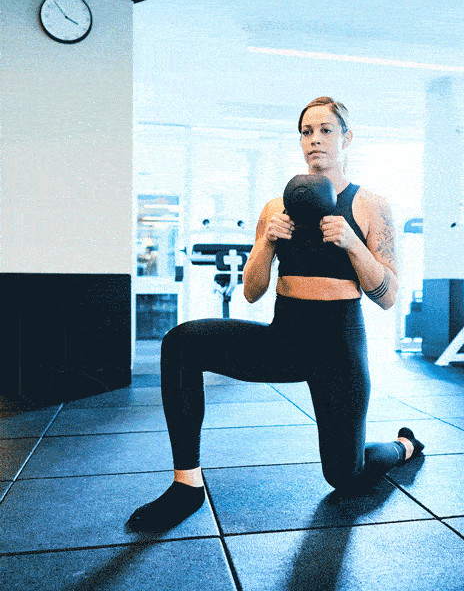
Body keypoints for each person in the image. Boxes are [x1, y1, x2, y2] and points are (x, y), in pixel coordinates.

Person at [127, 97, 424, 532]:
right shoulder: (275, 207)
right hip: (285, 338)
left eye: (326, 130)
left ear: (347, 138)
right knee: (180, 342)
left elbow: (388, 297)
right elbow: (251, 292)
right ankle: (187, 486)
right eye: (307, 131)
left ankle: (403, 446)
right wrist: (267, 241)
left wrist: (352, 243)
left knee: (346, 477)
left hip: (339, 349)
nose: (315, 140)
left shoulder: (370, 205)